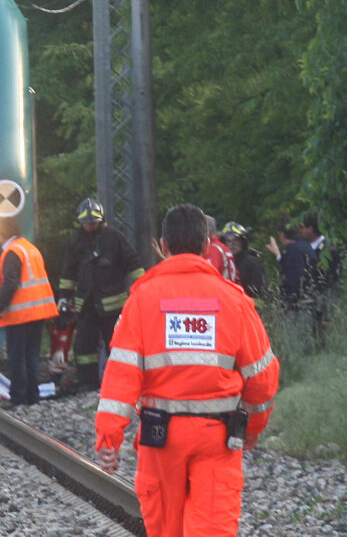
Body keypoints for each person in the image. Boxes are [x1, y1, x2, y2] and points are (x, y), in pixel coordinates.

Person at [94, 204, 280, 537]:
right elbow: (262, 378)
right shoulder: (233, 301)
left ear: (163, 246)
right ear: (207, 245)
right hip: (218, 437)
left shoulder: (141, 300)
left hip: (159, 437)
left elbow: (121, 375)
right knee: (212, 528)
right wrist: (252, 427)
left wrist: (110, 438)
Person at [57, 197, 144, 392]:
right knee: (84, 347)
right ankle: (88, 382)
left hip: (112, 305)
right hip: (86, 305)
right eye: (86, 223)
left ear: (100, 220)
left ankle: (122, 382)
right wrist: (63, 298)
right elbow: (68, 272)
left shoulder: (114, 238)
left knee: (118, 344)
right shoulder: (76, 241)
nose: (89, 226)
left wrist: (142, 291)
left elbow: (134, 263)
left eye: (93, 222)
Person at [0, 215, 59, 407]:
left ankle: (18, 397)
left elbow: (11, 281)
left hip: (21, 313)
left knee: (17, 357)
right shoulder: (30, 248)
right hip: (37, 312)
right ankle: (32, 397)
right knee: (31, 355)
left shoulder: (12, 252)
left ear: (2, 233)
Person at [265, 224, 315, 311]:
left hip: (297, 303)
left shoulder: (292, 248)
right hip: (310, 296)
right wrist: (278, 255)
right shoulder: (305, 245)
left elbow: (293, 275)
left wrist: (288, 299)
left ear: (282, 234)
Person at [219, 221, 267, 302]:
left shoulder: (251, 263)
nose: (231, 245)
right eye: (228, 241)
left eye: (236, 241)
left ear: (243, 242)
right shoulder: (222, 262)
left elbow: (259, 294)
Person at [203, 215, 238, 283]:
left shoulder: (212, 249)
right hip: (230, 288)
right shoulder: (222, 247)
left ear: (209, 232)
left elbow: (208, 276)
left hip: (219, 289)